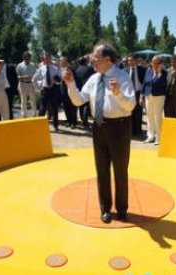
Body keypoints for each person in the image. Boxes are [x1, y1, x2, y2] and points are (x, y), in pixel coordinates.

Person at [64, 42, 135, 223]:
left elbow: (131, 105)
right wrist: (71, 84)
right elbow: (79, 101)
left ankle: (122, 209)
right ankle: (105, 209)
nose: (92, 60)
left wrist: (118, 93)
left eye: (95, 57)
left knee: (120, 171)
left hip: (119, 127)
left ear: (107, 59)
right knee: (101, 171)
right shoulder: (94, 78)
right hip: (99, 127)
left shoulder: (122, 76)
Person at [140, 55, 167, 145]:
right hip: (148, 95)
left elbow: (163, 84)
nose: (154, 64)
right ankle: (150, 135)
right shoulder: (148, 70)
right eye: (153, 62)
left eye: (157, 62)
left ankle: (158, 137)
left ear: (160, 63)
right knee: (149, 116)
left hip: (158, 96)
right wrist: (141, 95)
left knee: (157, 116)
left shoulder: (164, 72)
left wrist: (158, 73)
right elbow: (144, 83)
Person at [32, 52, 62, 132]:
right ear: (43, 59)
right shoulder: (41, 69)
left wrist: (55, 79)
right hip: (44, 90)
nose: (46, 60)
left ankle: (56, 126)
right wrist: (38, 88)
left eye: (47, 58)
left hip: (53, 89)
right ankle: (39, 126)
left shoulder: (55, 68)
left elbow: (60, 79)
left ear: (50, 59)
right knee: (42, 109)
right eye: (44, 58)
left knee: (54, 108)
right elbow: (34, 79)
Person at [126, 54, 145, 136]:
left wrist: (143, 94)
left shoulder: (141, 70)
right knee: (130, 112)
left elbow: (145, 82)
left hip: (138, 93)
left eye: (131, 60)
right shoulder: (125, 70)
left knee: (138, 112)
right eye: (128, 60)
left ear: (135, 61)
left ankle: (138, 131)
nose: (129, 62)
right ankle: (131, 130)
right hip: (129, 94)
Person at [75, 55, 95, 129]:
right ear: (85, 62)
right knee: (86, 105)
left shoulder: (77, 70)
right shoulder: (90, 69)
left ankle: (83, 120)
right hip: (87, 89)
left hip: (79, 89)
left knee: (81, 105)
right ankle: (85, 121)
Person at [16, 52, 37, 118]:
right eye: (26, 58)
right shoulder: (20, 65)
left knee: (33, 100)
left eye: (29, 58)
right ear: (24, 58)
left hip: (31, 84)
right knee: (23, 100)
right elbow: (17, 76)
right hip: (23, 84)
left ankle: (34, 114)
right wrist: (23, 77)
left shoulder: (33, 65)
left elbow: (36, 75)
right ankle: (24, 115)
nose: (28, 59)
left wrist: (33, 77)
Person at [59, 56, 78, 129]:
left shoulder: (71, 70)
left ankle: (74, 122)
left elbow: (75, 79)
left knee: (72, 106)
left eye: (63, 61)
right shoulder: (59, 70)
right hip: (63, 90)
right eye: (61, 61)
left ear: (66, 62)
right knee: (66, 106)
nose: (62, 62)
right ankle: (69, 121)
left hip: (70, 89)